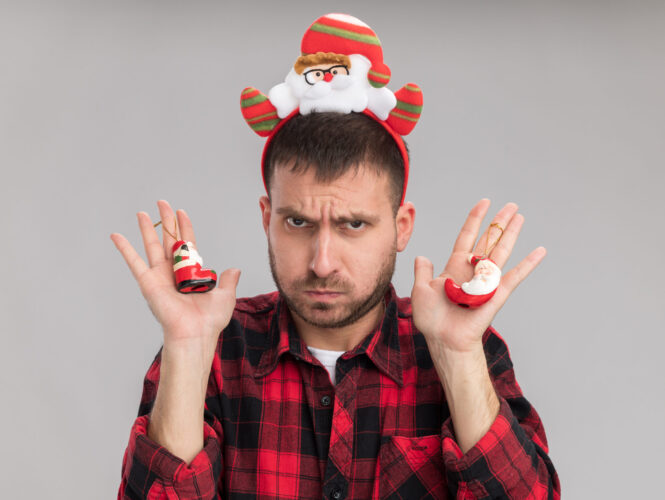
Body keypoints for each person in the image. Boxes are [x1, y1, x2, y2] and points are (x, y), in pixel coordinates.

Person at [112, 13, 560, 500]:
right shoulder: (216, 350)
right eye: (298, 223)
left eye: (353, 225)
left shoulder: (467, 346)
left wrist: (457, 357)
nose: (322, 263)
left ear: (401, 226)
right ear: (267, 218)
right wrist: (186, 349)